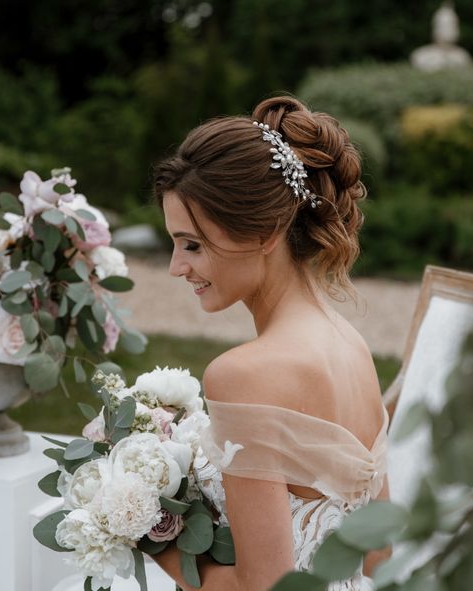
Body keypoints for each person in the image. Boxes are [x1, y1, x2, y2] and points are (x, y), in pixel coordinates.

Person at [148, 96, 391, 590]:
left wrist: (145, 531)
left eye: (192, 244)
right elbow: (380, 551)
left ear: (263, 232)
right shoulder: (352, 346)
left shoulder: (245, 374)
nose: (177, 267)